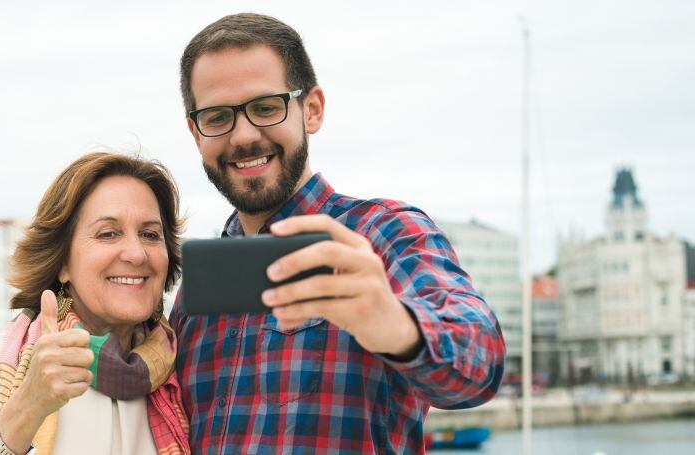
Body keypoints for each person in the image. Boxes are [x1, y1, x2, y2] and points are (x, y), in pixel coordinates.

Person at [170, 13, 507, 453]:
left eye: (266, 107)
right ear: (196, 133)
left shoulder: (385, 233)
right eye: (217, 117)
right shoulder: (197, 292)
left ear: (311, 110)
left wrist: (395, 324)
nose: (243, 136)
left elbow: (480, 364)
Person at [0, 152, 190, 455]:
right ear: (62, 262)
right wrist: (28, 406)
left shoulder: (185, 373)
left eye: (150, 234)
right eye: (108, 233)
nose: (136, 253)